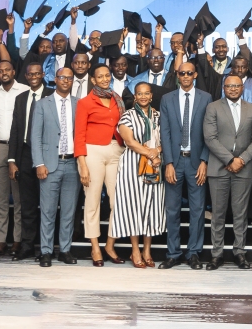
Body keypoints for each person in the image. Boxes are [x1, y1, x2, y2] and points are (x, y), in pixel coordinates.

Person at [203, 74, 252, 270]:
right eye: (229, 86)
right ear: (223, 88)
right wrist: (229, 160)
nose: (233, 89)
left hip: (243, 168)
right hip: (219, 168)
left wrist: (241, 160)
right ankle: (216, 254)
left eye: (236, 86)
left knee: (240, 214)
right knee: (218, 214)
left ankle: (239, 252)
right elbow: (210, 138)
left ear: (242, 88)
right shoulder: (213, 107)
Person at [159, 60, 211, 269]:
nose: (186, 76)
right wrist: (169, 163)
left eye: (190, 73)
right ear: (178, 75)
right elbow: (165, 132)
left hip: (196, 162)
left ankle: (193, 253)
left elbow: (209, 133)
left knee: (197, 209)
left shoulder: (206, 98)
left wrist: (205, 161)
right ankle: (173, 253)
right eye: (182, 73)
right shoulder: (167, 99)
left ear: (195, 75)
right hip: (175, 160)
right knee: (172, 209)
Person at [75, 64, 126, 266]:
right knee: (93, 201)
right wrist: (82, 164)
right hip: (92, 152)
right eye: (100, 76)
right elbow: (79, 135)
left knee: (118, 202)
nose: (105, 79)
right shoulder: (85, 102)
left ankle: (110, 245)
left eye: (107, 75)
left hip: (116, 150)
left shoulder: (117, 99)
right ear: (93, 80)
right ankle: (95, 247)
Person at [30, 67, 81, 267]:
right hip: (50, 164)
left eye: (69, 78)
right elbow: (35, 136)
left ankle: (65, 250)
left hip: (73, 164)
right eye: (62, 77)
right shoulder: (43, 104)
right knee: (48, 211)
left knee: (68, 211)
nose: (66, 81)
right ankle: (46, 251)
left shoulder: (79, 104)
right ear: (55, 79)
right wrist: (39, 163)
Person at [111, 82, 166, 268]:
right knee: (134, 207)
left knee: (151, 206)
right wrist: (151, 153)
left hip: (154, 165)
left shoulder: (158, 116)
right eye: (139, 94)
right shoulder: (127, 116)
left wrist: (157, 151)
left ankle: (147, 250)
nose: (143, 97)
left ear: (151, 96)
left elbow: (166, 138)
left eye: (146, 93)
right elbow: (129, 141)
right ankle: (135, 250)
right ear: (135, 97)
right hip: (132, 166)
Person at [0, 59, 28, 256]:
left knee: (18, 199)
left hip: (18, 149)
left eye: (7, 69)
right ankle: (1, 240)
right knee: (1, 199)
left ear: (14, 71)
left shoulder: (25, 90)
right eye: (0, 71)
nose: (4, 73)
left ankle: (17, 240)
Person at [8, 63, 49, 260]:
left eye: (37, 73)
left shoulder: (51, 95)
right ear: (25, 76)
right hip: (25, 154)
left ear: (43, 74)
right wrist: (12, 159)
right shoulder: (21, 98)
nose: (34, 76)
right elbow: (15, 129)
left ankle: (45, 248)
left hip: (46, 155)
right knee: (27, 203)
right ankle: (27, 245)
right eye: (30, 74)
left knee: (47, 204)